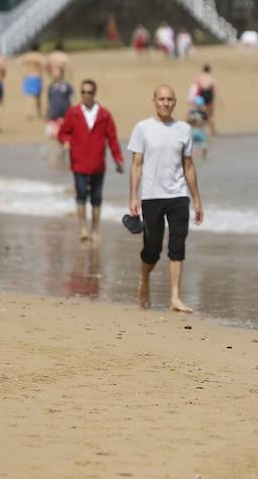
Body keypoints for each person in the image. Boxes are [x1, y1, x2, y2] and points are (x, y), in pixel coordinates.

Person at [128, 85, 204, 313]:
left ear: (175, 102)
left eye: (170, 99)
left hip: (178, 195)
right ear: (154, 100)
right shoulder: (143, 128)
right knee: (152, 248)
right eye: (161, 99)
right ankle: (144, 278)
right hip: (152, 196)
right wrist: (134, 196)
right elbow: (137, 165)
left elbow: (189, 166)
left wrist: (197, 200)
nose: (165, 103)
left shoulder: (183, 129)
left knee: (177, 245)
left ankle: (175, 297)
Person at [58, 79, 124, 243]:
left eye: (89, 92)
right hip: (78, 163)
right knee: (81, 196)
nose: (86, 95)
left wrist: (118, 159)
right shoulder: (73, 112)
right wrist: (65, 141)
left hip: (97, 164)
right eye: (83, 92)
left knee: (96, 198)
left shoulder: (104, 114)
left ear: (94, 94)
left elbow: (113, 138)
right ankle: (82, 229)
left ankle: (95, 230)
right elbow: (63, 132)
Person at [17, 42, 46, 119]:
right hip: (37, 76)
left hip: (28, 77)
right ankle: (39, 113)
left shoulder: (27, 55)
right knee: (38, 96)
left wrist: (22, 71)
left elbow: (18, 61)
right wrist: (40, 70)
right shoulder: (39, 56)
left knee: (29, 97)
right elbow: (44, 64)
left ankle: (28, 113)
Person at [46, 71, 74, 143]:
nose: (55, 74)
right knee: (53, 135)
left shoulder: (67, 86)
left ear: (61, 74)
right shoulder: (51, 86)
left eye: (57, 72)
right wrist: (47, 113)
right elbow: (48, 100)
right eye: (54, 73)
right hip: (53, 114)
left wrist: (72, 112)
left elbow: (72, 99)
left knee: (65, 134)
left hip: (65, 114)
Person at [193, 64, 217, 134]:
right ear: (209, 70)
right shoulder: (211, 77)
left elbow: (195, 85)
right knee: (211, 114)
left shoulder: (200, 77)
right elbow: (214, 88)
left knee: (202, 113)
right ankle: (213, 130)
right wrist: (215, 99)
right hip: (209, 95)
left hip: (202, 95)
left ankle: (202, 130)